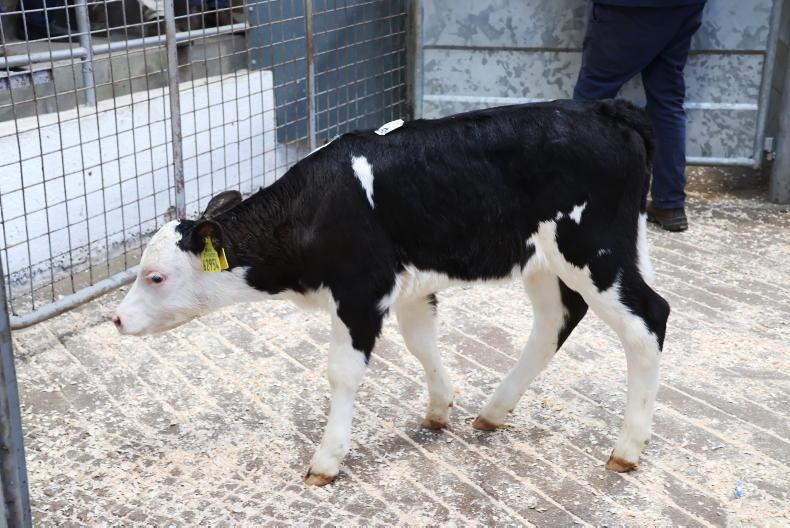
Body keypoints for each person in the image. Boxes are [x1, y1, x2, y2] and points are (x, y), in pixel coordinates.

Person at [573, 0, 706, 232]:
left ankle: (578, 200)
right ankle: (669, 204)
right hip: (683, 6)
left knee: (589, 101)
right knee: (667, 99)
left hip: (625, 8)